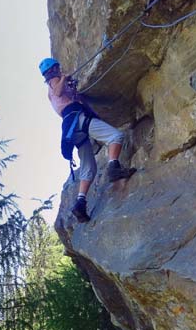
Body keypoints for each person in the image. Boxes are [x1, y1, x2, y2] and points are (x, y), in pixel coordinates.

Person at [39, 57, 136, 223]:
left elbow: (66, 96)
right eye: (57, 68)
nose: (59, 69)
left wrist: (72, 87)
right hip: (76, 118)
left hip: (71, 128)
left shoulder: (53, 85)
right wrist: (63, 78)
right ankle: (114, 168)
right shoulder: (54, 81)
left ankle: (80, 204)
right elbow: (58, 92)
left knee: (88, 167)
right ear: (53, 69)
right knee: (116, 136)